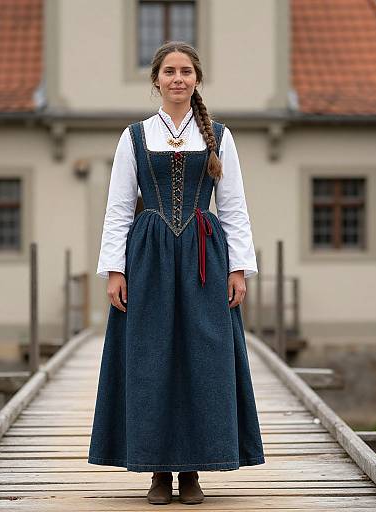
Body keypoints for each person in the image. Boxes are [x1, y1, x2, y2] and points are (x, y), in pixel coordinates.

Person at [88, 41, 265, 505]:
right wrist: (114, 269)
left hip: (204, 257)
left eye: (186, 71)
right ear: (156, 80)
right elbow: (118, 209)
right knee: (150, 361)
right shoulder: (134, 136)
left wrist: (240, 268)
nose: (178, 79)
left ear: (196, 79)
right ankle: (157, 472)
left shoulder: (219, 136)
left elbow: (234, 208)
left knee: (203, 360)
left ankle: (192, 472)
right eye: (170, 71)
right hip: (148, 258)